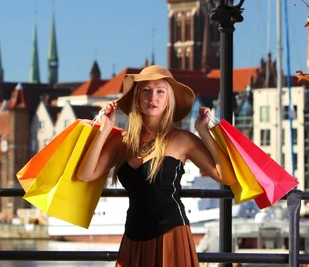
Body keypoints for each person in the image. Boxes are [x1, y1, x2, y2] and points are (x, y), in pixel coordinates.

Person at [77, 65, 237, 267]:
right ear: (137, 97)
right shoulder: (122, 142)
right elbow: (86, 174)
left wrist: (203, 131)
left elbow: (226, 177)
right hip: (132, 239)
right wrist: (105, 129)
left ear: (168, 99)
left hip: (171, 237)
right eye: (146, 90)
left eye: (160, 91)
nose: (153, 97)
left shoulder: (182, 140)